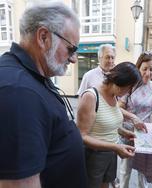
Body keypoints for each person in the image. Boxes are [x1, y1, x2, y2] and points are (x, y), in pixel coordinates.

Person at [0, 2, 88, 188]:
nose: (73, 59)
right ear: (43, 37)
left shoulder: (32, 75)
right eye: (71, 48)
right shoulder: (19, 91)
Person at [77, 62, 142, 188]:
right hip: (94, 156)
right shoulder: (91, 96)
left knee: (105, 185)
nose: (128, 92)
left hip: (111, 153)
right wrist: (115, 147)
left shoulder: (114, 95)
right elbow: (82, 136)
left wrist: (123, 132)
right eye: (129, 88)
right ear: (120, 82)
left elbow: (106, 122)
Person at [119, 52, 152, 188]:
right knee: (125, 168)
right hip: (129, 133)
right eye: (144, 68)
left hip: (146, 134)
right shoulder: (130, 85)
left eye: (151, 69)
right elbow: (118, 108)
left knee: (143, 169)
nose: (148, 73)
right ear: (138, 67)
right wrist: (133, 118)